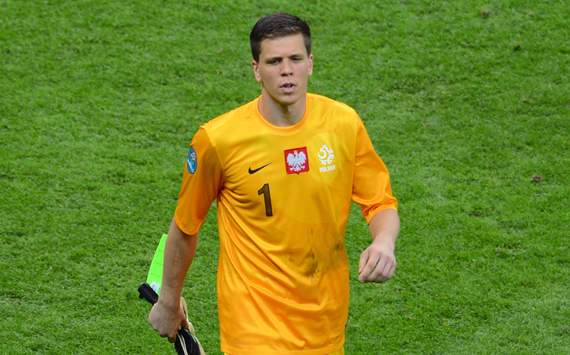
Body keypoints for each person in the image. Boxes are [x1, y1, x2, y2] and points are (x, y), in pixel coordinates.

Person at [148, 12, 400, 355]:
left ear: (310, 63)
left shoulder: (343, 124)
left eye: (295, 59)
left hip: (324, 321)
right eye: (274, 61)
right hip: (252, 325)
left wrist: (384, 241)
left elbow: (380, 201)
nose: (286, 70)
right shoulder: (219, 140)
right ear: (256, 69)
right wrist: (168, 301)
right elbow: (186, 225)